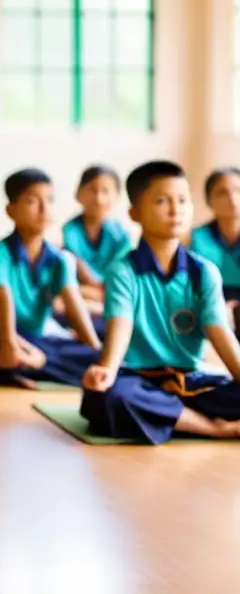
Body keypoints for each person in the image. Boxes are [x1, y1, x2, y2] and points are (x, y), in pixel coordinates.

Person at [80, 161, 240, 443]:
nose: (176, 209)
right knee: (107, 397)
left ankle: (169, 416)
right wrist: (107, 369)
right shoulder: (123, 271)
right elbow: (121, 326)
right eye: (162, 201)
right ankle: (213, 428)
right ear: (135, 213)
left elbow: (220, 332)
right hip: (135, 380)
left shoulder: (204, 272)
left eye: (182, 200)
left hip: (189, 381)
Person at [0, 169, 101, 387]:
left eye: (49, 200)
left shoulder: (60, 260)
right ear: (11, 210)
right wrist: (10, 346)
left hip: (37, 341)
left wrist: (95, 352)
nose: (44, 209)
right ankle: (31, 367)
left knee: (96, 358)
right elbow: (3, 298)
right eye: (32, 201)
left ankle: (36, 366)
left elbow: (75, 308)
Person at [60, 165, 132, 338]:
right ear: (79, 194)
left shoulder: (122, 235)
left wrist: (99, 291)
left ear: (117, 197)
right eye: (92, 190)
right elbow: (77, 269)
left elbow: (119, 274)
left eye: (106, 191)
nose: (99, 198)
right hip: (84, 292)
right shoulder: (70, 230)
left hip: (105, 292)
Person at [189, 167, 240, 326]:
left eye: (238, 190)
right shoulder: (195, 238)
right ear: (209, 200)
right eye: (222, 193)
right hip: (211, 306)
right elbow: (193, 285)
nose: (232, 198)